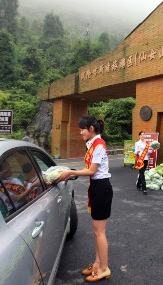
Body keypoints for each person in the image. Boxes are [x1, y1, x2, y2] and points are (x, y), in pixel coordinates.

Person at [55, 115, 113, 282]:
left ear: (91, 129)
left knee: (99, 231)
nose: (80, 132)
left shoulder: (99, 145)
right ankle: (97, 263)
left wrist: (70, 172)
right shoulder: (92, 144)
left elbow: (91, 171)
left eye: (82, 129)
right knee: (96, 231)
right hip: (96, 187)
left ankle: (104, 268)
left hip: (101, 188)